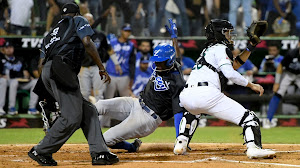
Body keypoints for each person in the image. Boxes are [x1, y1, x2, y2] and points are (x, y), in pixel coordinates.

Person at [27, 3, 119, 166]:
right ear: (76, 13)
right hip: (62, 68)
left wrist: (48, 91)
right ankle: (41, 150)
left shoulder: (50, 34)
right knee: (72, 117)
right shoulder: (78, 20)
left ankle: (100, 153)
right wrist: (101, 67)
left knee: (88, 111)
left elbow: (41, 64)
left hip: (50, 71)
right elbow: (87, 41)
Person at [173, 19, 276, 159]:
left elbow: (234, 65)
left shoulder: (208, 50)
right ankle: (253, 148)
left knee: (192, 113)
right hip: (207, 94)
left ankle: (181, 142)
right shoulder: (221, 48)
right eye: (227, 33)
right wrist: (251, 84)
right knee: (249, 118)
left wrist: (251, 46)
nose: (230, 36)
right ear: (219, 34)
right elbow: (230, 73)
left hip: (187, 95)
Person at [94, 19, 192, 152]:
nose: (157, 64)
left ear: (169, 62)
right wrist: (174, 37)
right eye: (156, 60)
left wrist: (179, 140)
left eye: (161, 62)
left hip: (147, 118)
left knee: (105, 139)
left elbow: (178, 113)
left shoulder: (177, 83)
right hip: (136, 103)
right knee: (99, 105)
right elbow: (177, 56)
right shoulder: (174, 64)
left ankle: (131, 147)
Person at [265, 40, 300, 129]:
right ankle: (268, 120)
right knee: (277, 93)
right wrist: (277, 82)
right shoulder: (292, 53)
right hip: (288, 73)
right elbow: (280, 67)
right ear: (299, 44)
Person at [79, 13, 111, 101]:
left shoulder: (100, 35)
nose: (88, 23)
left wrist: (115, 64)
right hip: (83, 67)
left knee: (99, 93)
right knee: (84, 93)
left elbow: (109, 49)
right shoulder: (77, 35)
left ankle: (100, 114)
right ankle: (85, 114)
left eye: (89, 21)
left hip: (97, 67)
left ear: (93, 22)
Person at [1, 41, 39, 115]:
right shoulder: (1, 59)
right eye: (7, 48)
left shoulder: (19, 59)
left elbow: (25, 71)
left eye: (10, 47)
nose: (9, 49)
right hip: (7, 82)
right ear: (3, 49)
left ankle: (32, 108)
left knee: (35, 82)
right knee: (13, 82)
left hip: (20, 83)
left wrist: (27, 76)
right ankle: (11, 108)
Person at [104, 23, 136, 99]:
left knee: (126, 99)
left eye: (129, 31)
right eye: (125, 31)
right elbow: (105, 57)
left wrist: (131, 76)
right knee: (108, 98)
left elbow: (132, 62)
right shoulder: (112, 42)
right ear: (121, 31)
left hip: (124, 75)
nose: (127, 33)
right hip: (111, 74)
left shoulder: (131, 45)